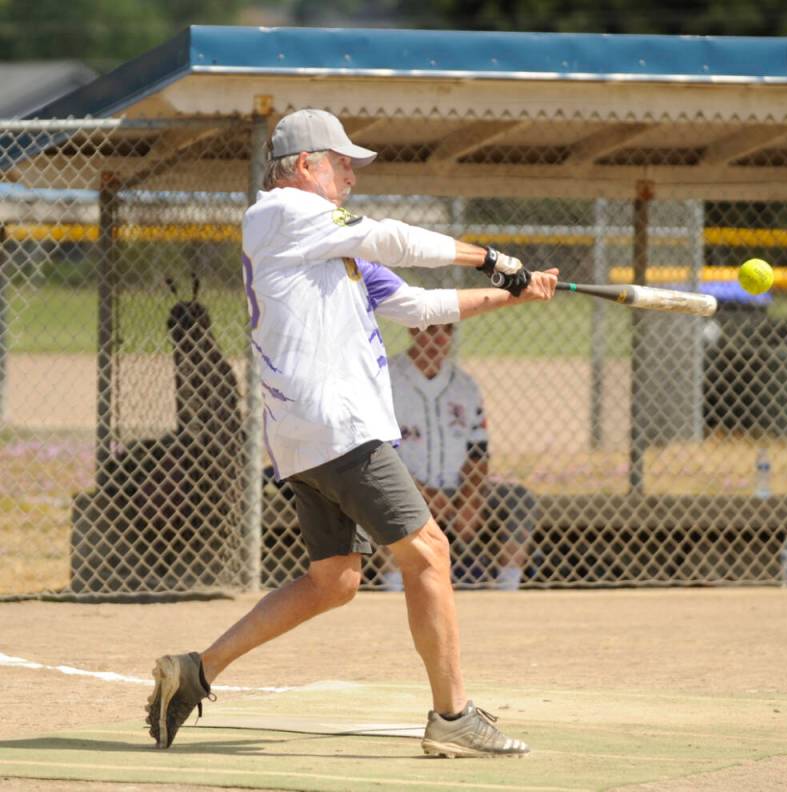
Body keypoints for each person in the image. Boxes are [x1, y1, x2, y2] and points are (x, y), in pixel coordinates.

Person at [145, 108, 557, 758]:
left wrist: (517, 293)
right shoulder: (282, 212)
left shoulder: (330, 244)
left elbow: (418, 307)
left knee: (333, 579)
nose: (350, 178)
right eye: (340, 165)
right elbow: (392, 237)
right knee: (429, 553)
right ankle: (452, 718)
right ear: (305, 166)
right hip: (338, 428)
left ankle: (198, 671)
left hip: (310, 436)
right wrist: (491, 258)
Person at [382, 323, 537, 592]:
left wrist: (470, 498)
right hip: (404, 489)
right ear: (412, 331)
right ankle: (393, 587)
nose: (438, 338)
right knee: (375, 499)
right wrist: (422, 494)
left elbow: (478, 452)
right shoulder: (385, 378)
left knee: (519, 500)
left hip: (458, 492)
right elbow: (379, 454)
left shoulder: (465, 386)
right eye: (429, 330)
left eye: (447, 330)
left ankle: (508, 588)